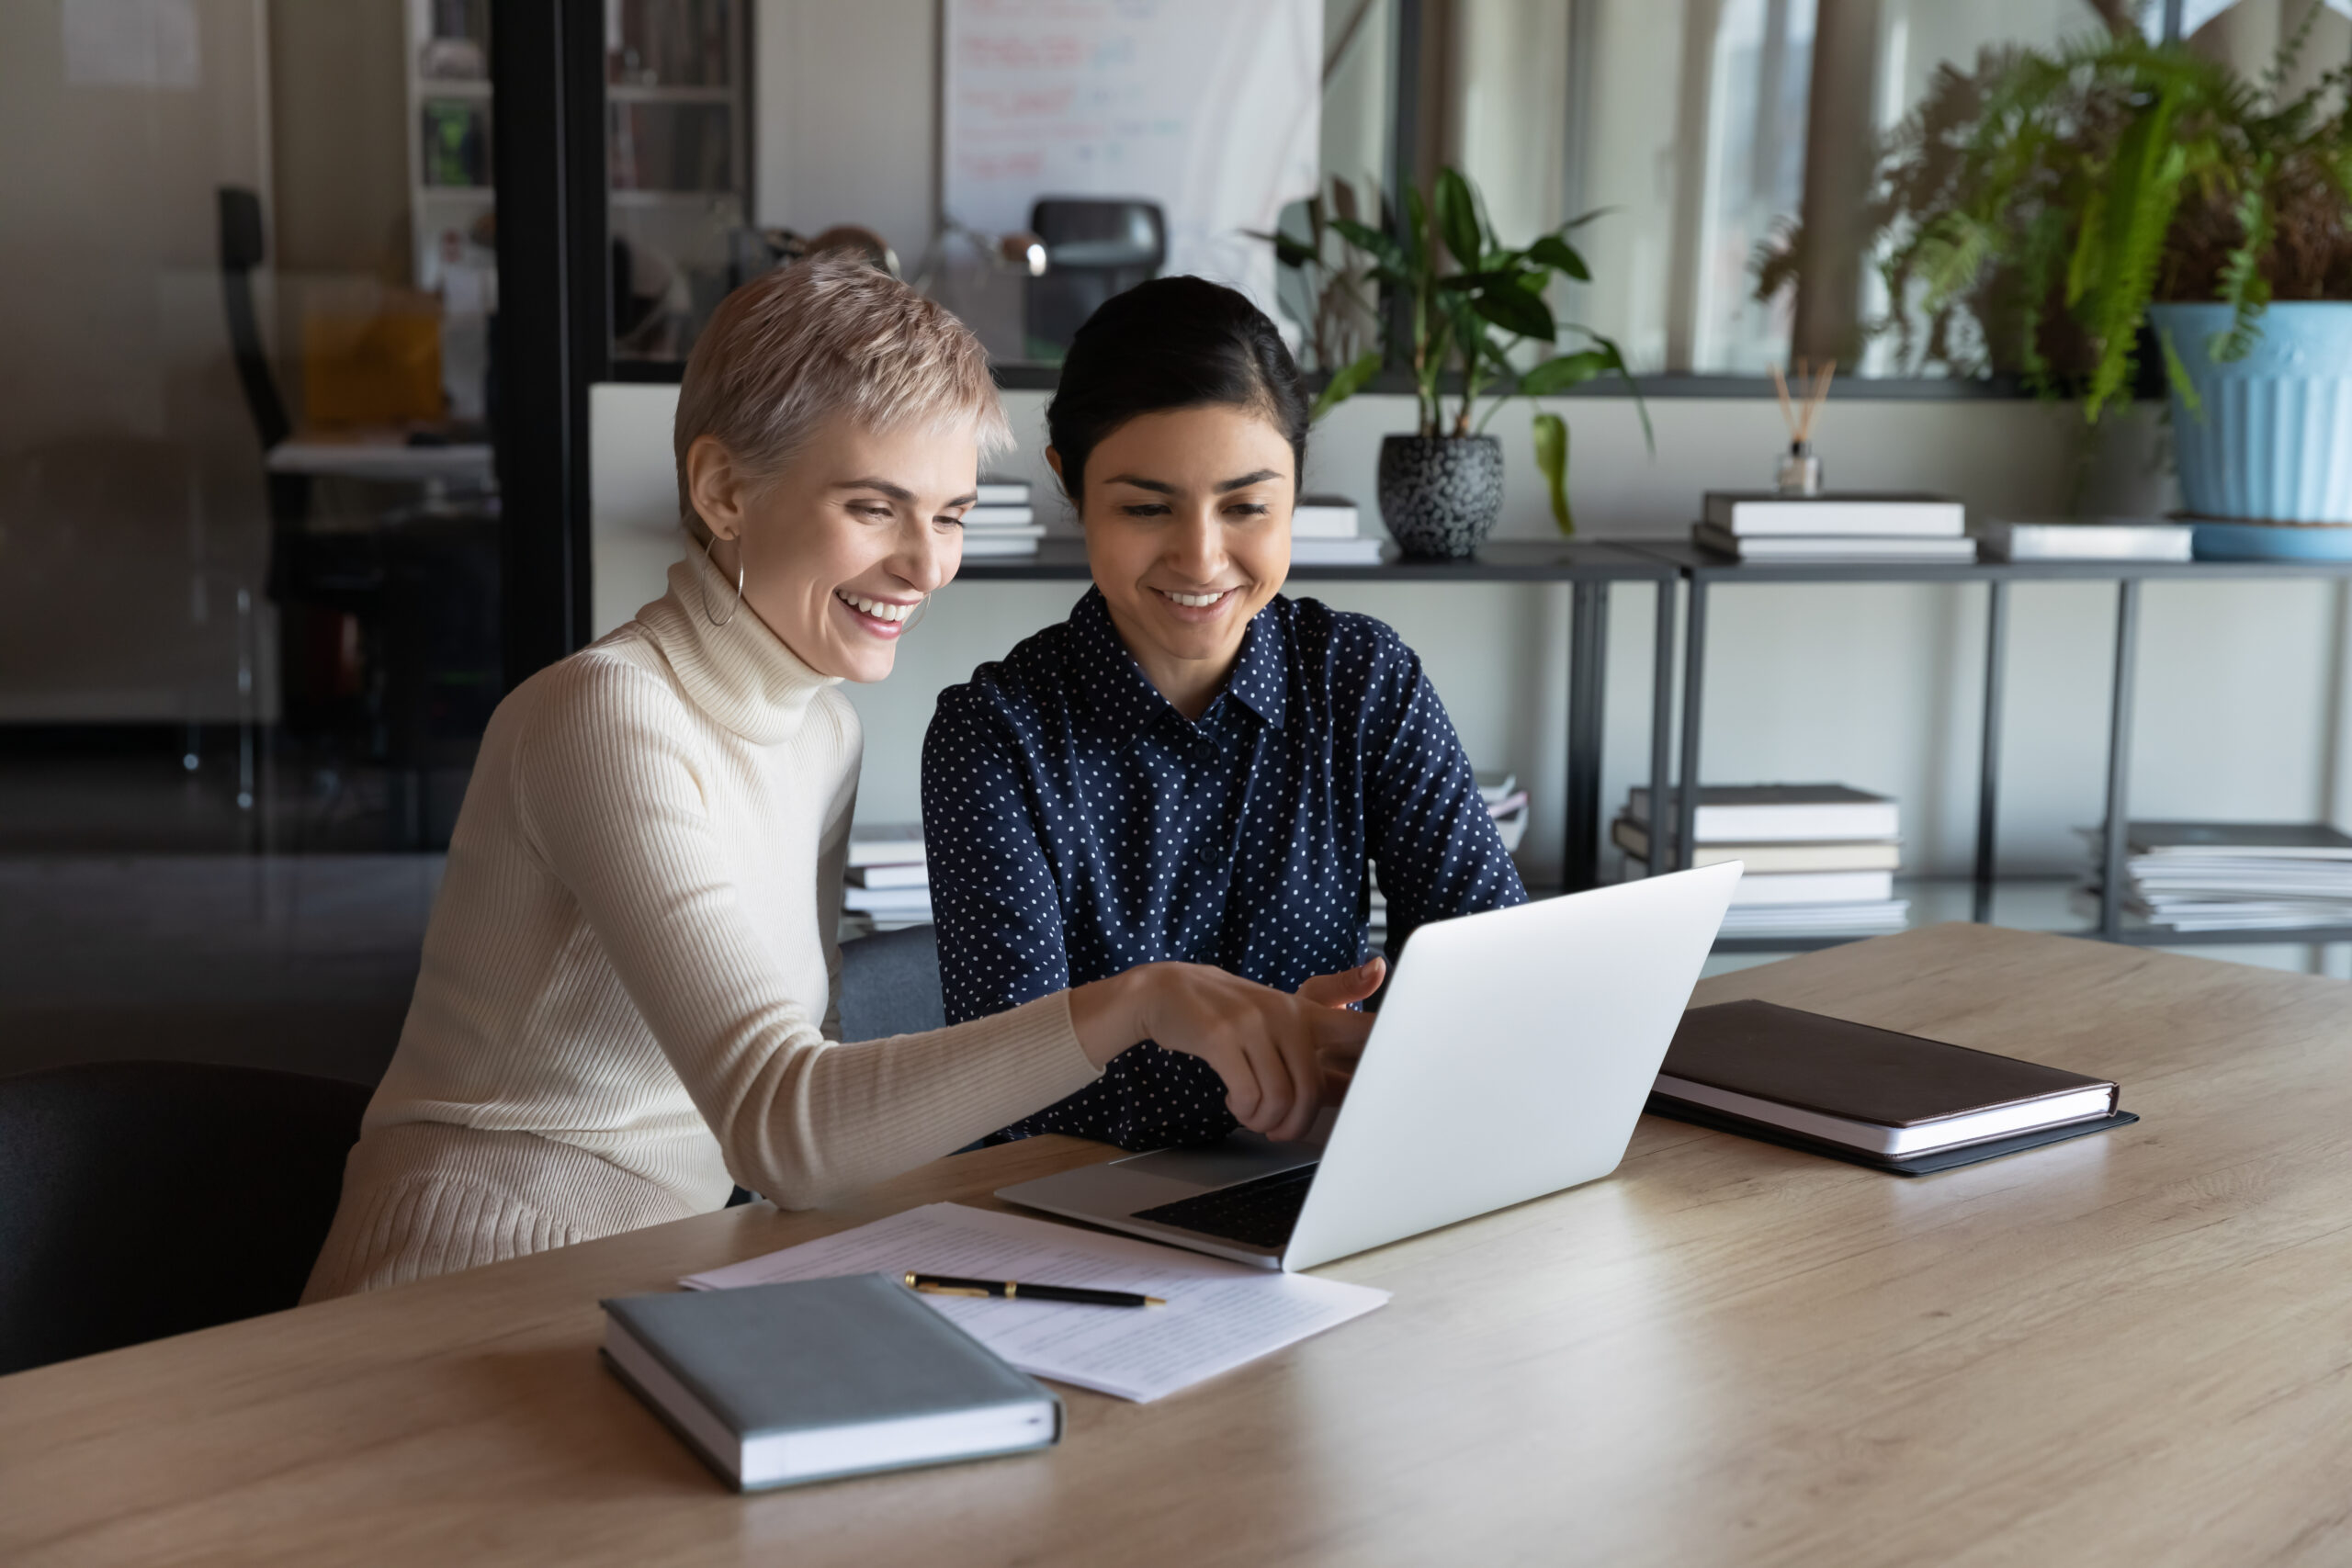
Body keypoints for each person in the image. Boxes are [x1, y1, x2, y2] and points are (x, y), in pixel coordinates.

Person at [302, 258, 1371, 1300]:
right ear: (724, 490)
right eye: (874, 507)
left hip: (664, 1266)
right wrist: (1146, 999)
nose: (926, 564)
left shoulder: (820, 732)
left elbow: (785, 1124)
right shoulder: (606, 715)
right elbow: (783, 1128)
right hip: (470, 1271)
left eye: (949, 514)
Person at [922, 276, 1528, 1155]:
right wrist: (1273, 1056)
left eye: (1247, 506)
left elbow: (1496, 974)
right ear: (1071, 482)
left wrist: (1336, 1059)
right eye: (1145, 507)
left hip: (1330, 1185)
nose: (1202, 558)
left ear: (1296, 484)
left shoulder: (1362, 682)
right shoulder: (996, 737)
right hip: (1079, 1219)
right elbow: (1002, 1103)